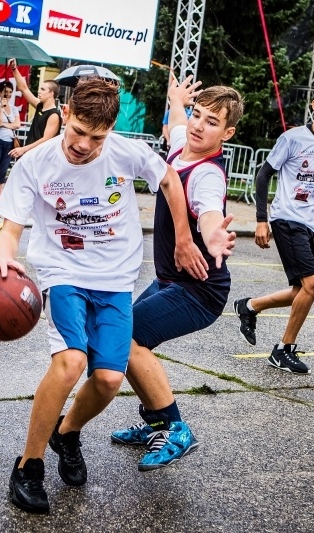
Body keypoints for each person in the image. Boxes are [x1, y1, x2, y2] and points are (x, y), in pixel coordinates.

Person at [0, 77, 233, 514]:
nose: (82, 144)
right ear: (69, 114)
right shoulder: (36, 164)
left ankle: (68, 433)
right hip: (64, 273)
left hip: (115, 278)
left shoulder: (123, 152)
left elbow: (170, 179)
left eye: (95, 138)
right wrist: (4, 258)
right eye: (76, 131)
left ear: (110, 130)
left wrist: (185, 239)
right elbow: (11, 229)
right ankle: (29, 465)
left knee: (110, 379)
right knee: (72, 360)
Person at [107, 76, 242, 470]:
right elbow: (179, 122)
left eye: (212, 121)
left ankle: (175, 428)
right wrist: (177, 101)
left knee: (127, 338)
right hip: (170, 280)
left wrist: (213, 235)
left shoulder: (207, 175)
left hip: (200, 290)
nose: (200, 125)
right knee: (125, 342)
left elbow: (210, 209)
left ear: (227, 133)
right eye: (199, 115)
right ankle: (155, 424)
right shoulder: (183, 144)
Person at [233, 80, 314, 374]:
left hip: (310, 225)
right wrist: (261, 219)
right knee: (313, 284)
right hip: (286, 219)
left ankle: (249, 306)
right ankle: (283, 350)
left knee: (299, 290)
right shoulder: (292, 138)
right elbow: (263, 176)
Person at [0, 58, 62, 237]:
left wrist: (23, 149)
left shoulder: (54, 115)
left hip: (42, 160)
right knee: (17, 189)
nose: (39, 91)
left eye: (42, 89)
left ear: (51, 94)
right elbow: (24, 88)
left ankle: (54, 228)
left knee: (38, 196)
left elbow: (47, 140)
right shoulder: (40, 106)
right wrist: (14, 70)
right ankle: (5, 225)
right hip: (32, 158)